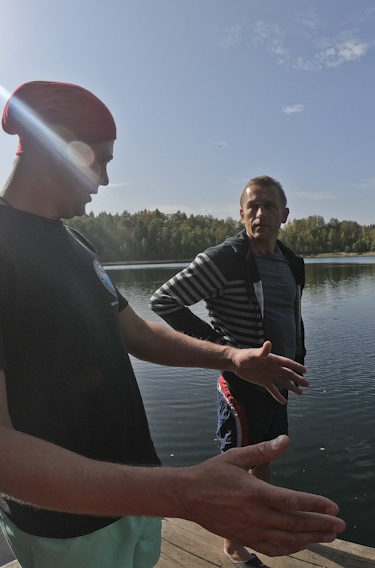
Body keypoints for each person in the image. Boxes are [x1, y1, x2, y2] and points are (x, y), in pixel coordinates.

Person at [0, 81, 344, 568]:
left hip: (135, 501)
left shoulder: (75, 246)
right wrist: (183, 494)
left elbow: (135, 332)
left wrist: (232, 357)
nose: (107, 180)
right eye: (102, 160)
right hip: (68, 526)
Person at [150, 175, 304, 568]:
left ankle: (258, 522)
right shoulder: (225, 259)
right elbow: (164, 301)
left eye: (269, 206)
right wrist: (228, 353)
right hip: (241, 382)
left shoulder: (291, 262)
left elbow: (291, 316)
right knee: (236, 465)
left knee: (266, 455)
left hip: (278, 381)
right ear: (241, 213)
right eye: (252, 206)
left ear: (285, 214)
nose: (260, 213)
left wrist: (298, 355)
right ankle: (233, 546)